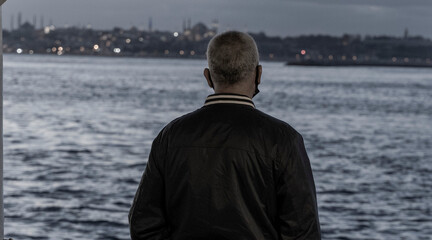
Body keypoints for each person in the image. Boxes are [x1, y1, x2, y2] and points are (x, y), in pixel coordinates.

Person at [129, 31, 321, 240]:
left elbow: (143, 224)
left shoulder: (170, 136)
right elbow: (303, 232)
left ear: (208, 77)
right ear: (258, 74)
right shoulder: (283, 139)